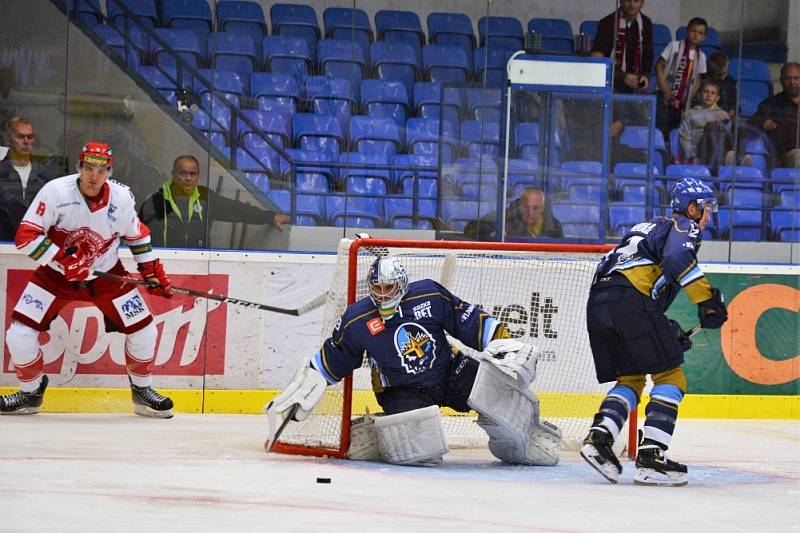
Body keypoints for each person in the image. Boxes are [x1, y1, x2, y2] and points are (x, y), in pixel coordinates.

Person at [265, 253, 561, 466]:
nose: (382, 295)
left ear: (402, 284)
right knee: (423, 450)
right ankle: (377, 429)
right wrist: (311, 381)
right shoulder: (357, 318)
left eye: (388, 288)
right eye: (377, 289)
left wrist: (502, 340)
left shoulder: (430, 295)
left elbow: (468, 321)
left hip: (449, 371)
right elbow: (336, 356)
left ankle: (528, 437)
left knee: (502, 399)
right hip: (401, 389)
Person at [0, 141, 176, 418]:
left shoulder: (121, 198)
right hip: (56, 276)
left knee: (145, 330)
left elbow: (137, 234)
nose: (94, 175)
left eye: (101, 170)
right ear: (79, 167)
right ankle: (30, 392)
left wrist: (151, 270)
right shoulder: (56, 191)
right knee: (19, 334)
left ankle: (142, 391)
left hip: (106, 274)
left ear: (109, 171)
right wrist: (64, 261)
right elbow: (26, 235)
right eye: (89, 168)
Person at [580, 176, 728, 486]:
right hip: (630, 302)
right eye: (706, 209)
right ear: (692, 208)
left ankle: (599, 438)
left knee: (632, 379)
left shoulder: (645, 227)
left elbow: (636, 278)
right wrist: (707, 301)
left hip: (599, 303)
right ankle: (651, 457)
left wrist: (663, 328)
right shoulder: (684, 226)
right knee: (671, 377)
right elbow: (676, 259)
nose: (709, 216)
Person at [138, 155, 290, 248]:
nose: (188, 178)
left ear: (198, 176)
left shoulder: (205, 197)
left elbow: (237, 210)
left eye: (193, 174)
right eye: (183, 173)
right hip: (164, 265)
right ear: (173, 174)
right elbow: (136, 233)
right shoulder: (156, 201)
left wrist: (269, 217)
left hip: (198, 267)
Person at [655, 17, 709, 147]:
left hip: (683, 101)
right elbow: (659, 66)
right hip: (664, 95)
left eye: (700, 33)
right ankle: (660, 152)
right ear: (687, 32)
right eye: (693, 31)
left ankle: (674, 157)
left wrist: (689, 99)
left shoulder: (701, 56)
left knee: (677, 131)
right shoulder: (674, 46)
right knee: (662, 126)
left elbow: (698, 79)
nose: (696, 35)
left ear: (704, 37)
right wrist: (665, 90)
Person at [0, 117, 54, 241]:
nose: (26, 141)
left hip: (35, 243)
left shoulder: (45, 176)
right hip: (3, 243)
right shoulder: (1, 172)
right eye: (20, 136)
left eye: (30, 137)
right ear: (9, 139)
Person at [678, 79, 751, 170]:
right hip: (702, 150)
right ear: (699, 95)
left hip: (721, 146)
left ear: (717, 98)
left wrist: (725, 122)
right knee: (711, 126)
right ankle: (725, 160)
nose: (709, 95)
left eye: (713, 93)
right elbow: (685, 138)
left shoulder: (722, 113)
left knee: (740, 128)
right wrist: (692, 157)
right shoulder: (689, 114)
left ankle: (740, 160)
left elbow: (728, 135)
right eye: (706, 92)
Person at [591, 0, 654, 95]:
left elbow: (648, 56)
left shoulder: (646, 23)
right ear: (620, 1)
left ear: (642, 3)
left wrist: (645, 76)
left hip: (636, 86)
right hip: (610, 84)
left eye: (636, 0)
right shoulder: (607, 22)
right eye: (628, 0)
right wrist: (622, 76)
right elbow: (597, 57)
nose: (632, 4)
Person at [750, 62, 800, 168]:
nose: (792, 82)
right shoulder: (770, 104)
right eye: (788, 79)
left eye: (796, 78)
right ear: (781, 80)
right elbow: (753, 122)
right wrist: (764, 122)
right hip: (780, 157)